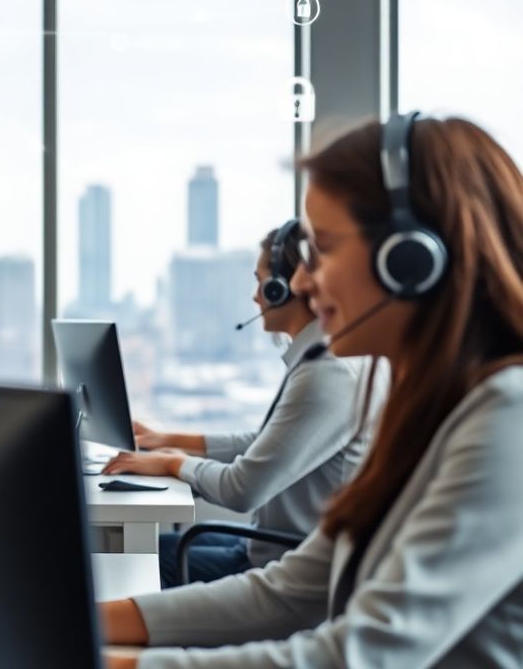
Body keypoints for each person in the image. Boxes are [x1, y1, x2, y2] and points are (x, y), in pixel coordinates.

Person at [99, 114, 523, 667]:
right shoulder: (423, 407)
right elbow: (291, 591)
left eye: (323, 248)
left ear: (409, 261)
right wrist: (75, 623)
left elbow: (357, 657)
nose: (299, 282)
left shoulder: (506, 417)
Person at [103, 220, 381, 587]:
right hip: (268, 547)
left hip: (289, 566)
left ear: (284, 287)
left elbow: (243, 489)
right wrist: (168, 439)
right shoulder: (319, 360)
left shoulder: (330, 374)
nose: (255, 296)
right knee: (145, 551)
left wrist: (172, 462)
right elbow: (267, 444)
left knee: (126, 567)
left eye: (260, 280)